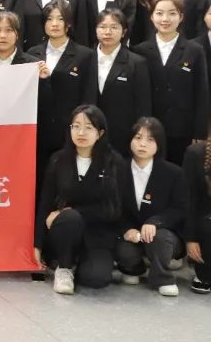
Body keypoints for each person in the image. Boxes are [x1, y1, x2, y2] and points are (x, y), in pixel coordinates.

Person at [34, 105, 123, 294]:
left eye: (88, 127)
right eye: (76, 126)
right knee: (70, 219)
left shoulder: (113, 162)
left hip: (97, 233)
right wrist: (37, 245)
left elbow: (113, 209)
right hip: (66, 229)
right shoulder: (59, 160)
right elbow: (45, 203)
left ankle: (82, 263)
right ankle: (64, 267)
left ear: (100, 133)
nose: (81, 133)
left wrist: (72, 211)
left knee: (96, 279)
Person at [131, 0, 210, 165]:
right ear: (151, 17)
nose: (165, 19)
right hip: (149, 128)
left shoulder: (194, 50)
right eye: (159, 13)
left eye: (172, 13)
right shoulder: (139, 51)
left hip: (183, 129)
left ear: (181, 17)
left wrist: (200, 132)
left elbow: (201, 93)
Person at [27, 0, 96, 185]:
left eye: (60, 19)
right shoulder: (32, 54)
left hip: (69, 131)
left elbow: (89, 96)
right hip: (38, 130)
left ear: (69, 23)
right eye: (49, 19)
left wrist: (82, 127)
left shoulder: (85, 55)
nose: (55, 24)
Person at [115, 117, 188, 297]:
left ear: (159, 144)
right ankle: (134, 268)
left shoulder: (173, 173)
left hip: (164, 233)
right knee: (124, 250)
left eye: (150, 139)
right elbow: (114, 207)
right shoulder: (118, 169)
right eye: (138, 137)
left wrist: (155, 222)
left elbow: (179, 209)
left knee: (159, 239)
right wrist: (126, 229)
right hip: (134, 234)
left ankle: (163, 278)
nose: (142, 144)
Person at [93, 9, 152, 157]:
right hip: (90, 132)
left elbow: (143, 105)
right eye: (102, 27)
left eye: (114, 27)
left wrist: (140, 135)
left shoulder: (137, 63)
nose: (108, 32)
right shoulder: (85, 58)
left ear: (124, 31)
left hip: (123, 135)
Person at [182, 139, 211, 294]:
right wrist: (190, 238)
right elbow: (189, 199)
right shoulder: (196, 153)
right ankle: (204, 274)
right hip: (204, 219)